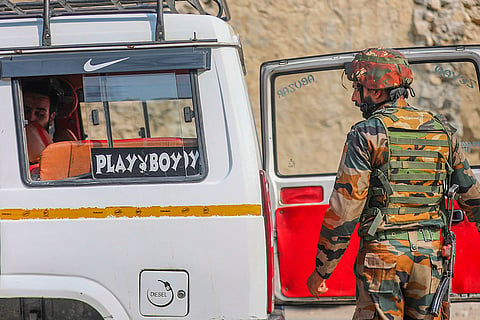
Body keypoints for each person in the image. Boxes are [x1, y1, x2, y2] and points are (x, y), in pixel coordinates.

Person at [306, 48, 480, 320]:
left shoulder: (366, 134)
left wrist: (322, 270)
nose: (354, 96)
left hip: (381, 261)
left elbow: (345, 210)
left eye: (358, 87)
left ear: (377, 92)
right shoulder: (442, 129)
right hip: (431, 259)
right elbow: (473, 199)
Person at [22, 80, 57, 164]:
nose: (31, 118)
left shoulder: (56, 158)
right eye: (26, 111)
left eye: (40, 114)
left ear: (51, 119)